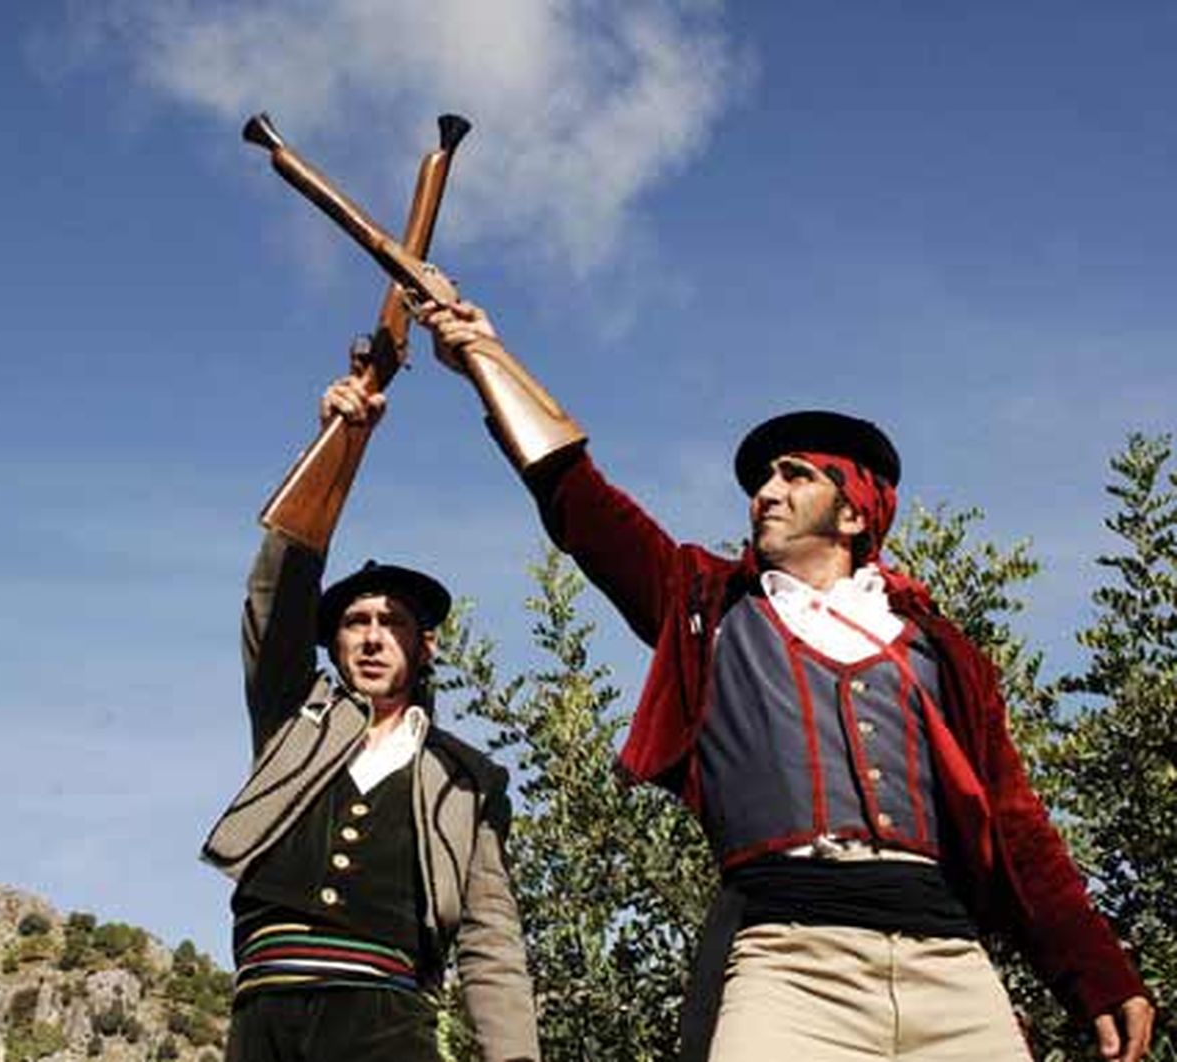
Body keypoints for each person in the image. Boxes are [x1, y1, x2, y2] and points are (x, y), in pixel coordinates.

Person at [416, 298, 1155, 1062]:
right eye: (765, 478)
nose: (765, 490)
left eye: (795, 475)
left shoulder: (940, 650)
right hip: (791, 965)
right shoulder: (705, 603)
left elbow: (1015, 823)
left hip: (951, 970)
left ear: (855, 512)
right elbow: (579, 498)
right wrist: (487, 362)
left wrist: (1097, 972)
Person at [201, 374, 539, 1062]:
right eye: (356, 621)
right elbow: (277, 592)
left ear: (425, 644)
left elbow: (490, 939)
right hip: (264, 1008)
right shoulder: (293, 719)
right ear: (333, 642)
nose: (374, 636)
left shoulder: (467, 778)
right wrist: (336, 448)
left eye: (394, 622)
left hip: (386, 1017)